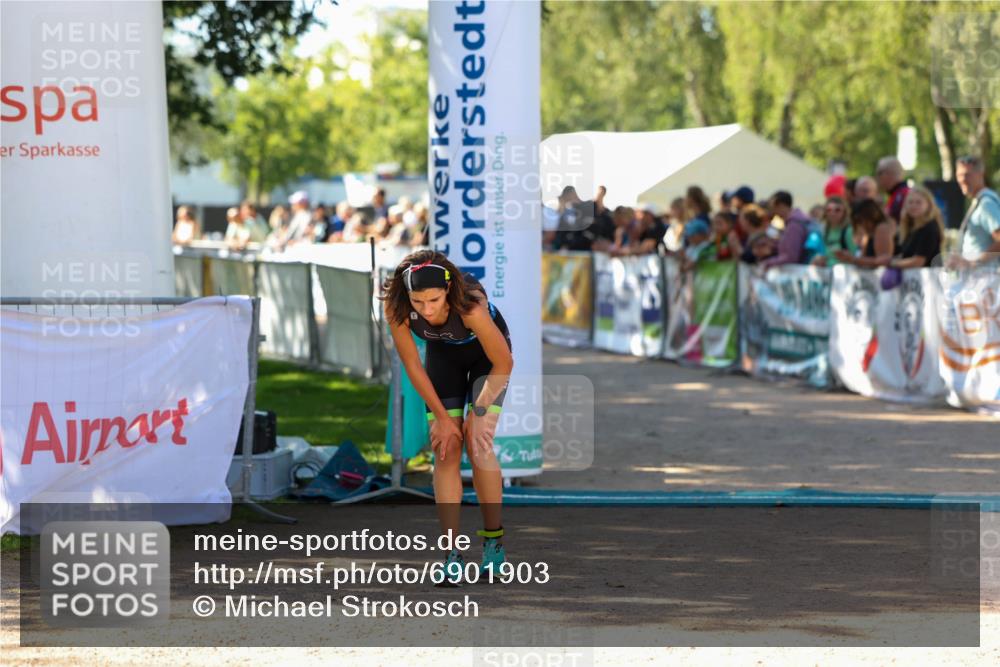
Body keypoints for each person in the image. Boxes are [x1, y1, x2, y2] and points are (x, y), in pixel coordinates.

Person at [381, 251, 513, 586]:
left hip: (488, 362)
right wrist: (441, 418)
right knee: (446, 449)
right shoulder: (397, 307)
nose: (426, 309)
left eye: (434, 300)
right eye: (418, 301)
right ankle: (451, 554)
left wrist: (479, 413)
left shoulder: (470, 306)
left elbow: (503, 364)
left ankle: (493, 546)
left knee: (478, 444)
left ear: (448, 291)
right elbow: (412, 365)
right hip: (443, 359)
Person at [954, 155, 1000, 264]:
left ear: (981, 174)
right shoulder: (980, 201)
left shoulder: (986, 203)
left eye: (967, 175)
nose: (962, 180)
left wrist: (975, 262)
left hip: (986, 277)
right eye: (959, 175)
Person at [889, 187, 944, 269]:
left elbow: (918, 261)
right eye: (910, 202)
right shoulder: (910, 227)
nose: (913, 206)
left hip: (928, 279)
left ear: (928, 205)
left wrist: (892, 263)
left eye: (918, 202)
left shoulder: (930, 227)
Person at [761, 190, 817, 269]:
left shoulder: (794, 225)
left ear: (780, 205)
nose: (772, 211)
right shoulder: (793, 223)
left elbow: (791, 256)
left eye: (773, 207)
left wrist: (768, 263)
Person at [836, 198, 896, 268]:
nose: (859, 224)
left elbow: (883, 261)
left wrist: (852, 259)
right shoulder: (869, 233)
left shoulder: (881, 228)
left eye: (860, 220)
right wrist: (848, 258)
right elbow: (863, 258)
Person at [812, 196, 857, 266]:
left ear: (844, 212)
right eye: (829, 210)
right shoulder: (825, 230)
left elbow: (855, 256)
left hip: (844, 272)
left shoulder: (848, 231)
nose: (832, 213)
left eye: (837, 210)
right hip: (827, 272)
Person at [875, 156, 909, 224]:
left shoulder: (903, 195)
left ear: (889, 174)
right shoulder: (896, 194)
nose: (877, 177)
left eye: (879, 173)